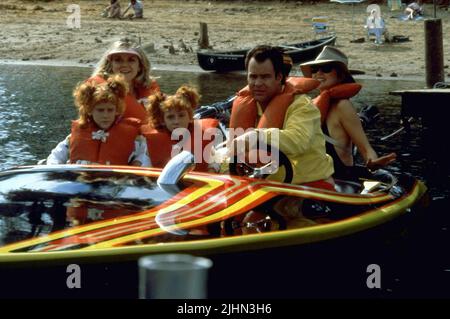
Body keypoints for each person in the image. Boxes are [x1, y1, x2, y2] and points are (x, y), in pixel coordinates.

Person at [229, 45, 335, 190]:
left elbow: (297, 140)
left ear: (279, 77)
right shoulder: (249, 104)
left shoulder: (303, 106)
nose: (258, 83)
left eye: (265, 77)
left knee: (272, 210)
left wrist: (255, 136)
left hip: (310, 185)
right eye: (253, 77)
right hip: (268, 185)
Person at [300, 46, 396, 179]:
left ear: (341, 75)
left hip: (340, 178)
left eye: (326, 69)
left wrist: (373, 162)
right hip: (313, 177)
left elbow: (365, 148)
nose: (318, 74)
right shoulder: (310, 104)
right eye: (314, 70)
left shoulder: (342, 106)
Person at [46, 75, 150, 167]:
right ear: (90, 110)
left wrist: (138, 163)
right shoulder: (74, 135)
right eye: (100, 110)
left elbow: (143, 155)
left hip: (115, 183)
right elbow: (55, 156)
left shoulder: (132, 137)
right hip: (79, 180)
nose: (105, 115)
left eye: (110, 110)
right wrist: (55, 169)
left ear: (116, 111)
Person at [143, 85, 220, 172]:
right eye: (170, 117)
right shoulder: (154, 141)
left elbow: (214, 161)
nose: (177, 121)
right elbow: (145, 168)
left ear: (190, 117)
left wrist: (212, 169)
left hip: (195, 182)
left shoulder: (201, 136)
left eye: (181, 115)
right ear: (163, 120)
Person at [90, 38, 160, 123]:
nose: (124, 65)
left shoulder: (150, 88)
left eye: (131, 60)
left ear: (140, 66)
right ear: (110, 64)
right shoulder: (97, 89)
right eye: (118, 60)